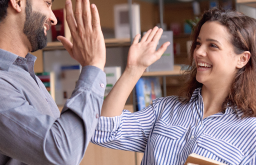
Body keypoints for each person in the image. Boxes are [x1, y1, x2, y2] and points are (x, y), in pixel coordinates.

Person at [91, 8, 256, 165]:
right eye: (198, 44)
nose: (198, 52)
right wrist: (133, 70)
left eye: (212, 45)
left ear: (242, 59)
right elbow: (103, 131)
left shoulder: (251, 132)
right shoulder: (164, 109)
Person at [0, 0, 109, 164]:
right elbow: (63, 152)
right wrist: (93, 67)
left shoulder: (24, 74)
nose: (53, 19)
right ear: (17, 1)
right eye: (48, 3)